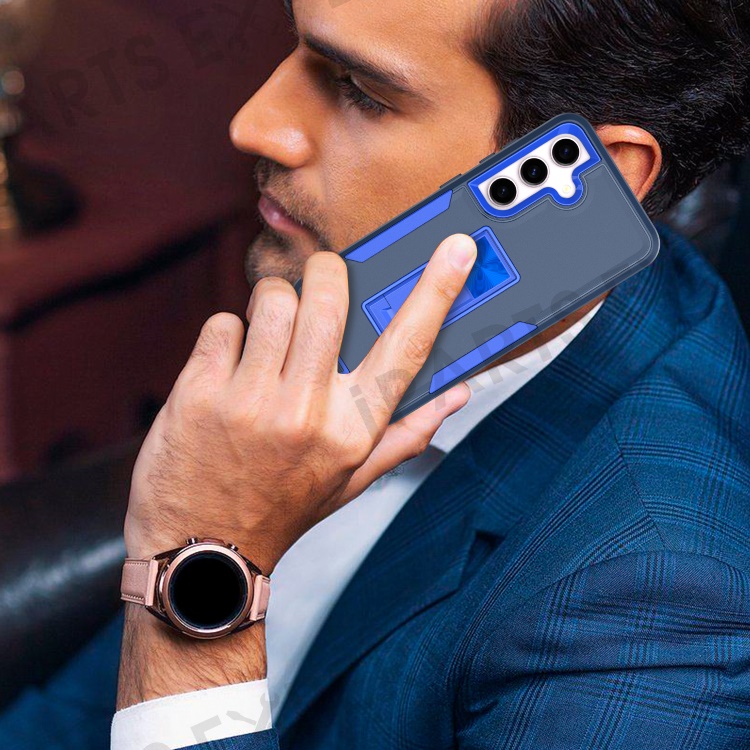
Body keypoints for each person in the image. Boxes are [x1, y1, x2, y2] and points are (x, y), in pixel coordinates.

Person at [2, 0, 750, 747]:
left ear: (600, 177)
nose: (255, 123)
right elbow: (79, 719)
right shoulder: (376, 295)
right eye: (295, 44)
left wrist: (202, 562)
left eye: (360, 91)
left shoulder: (659, 601)